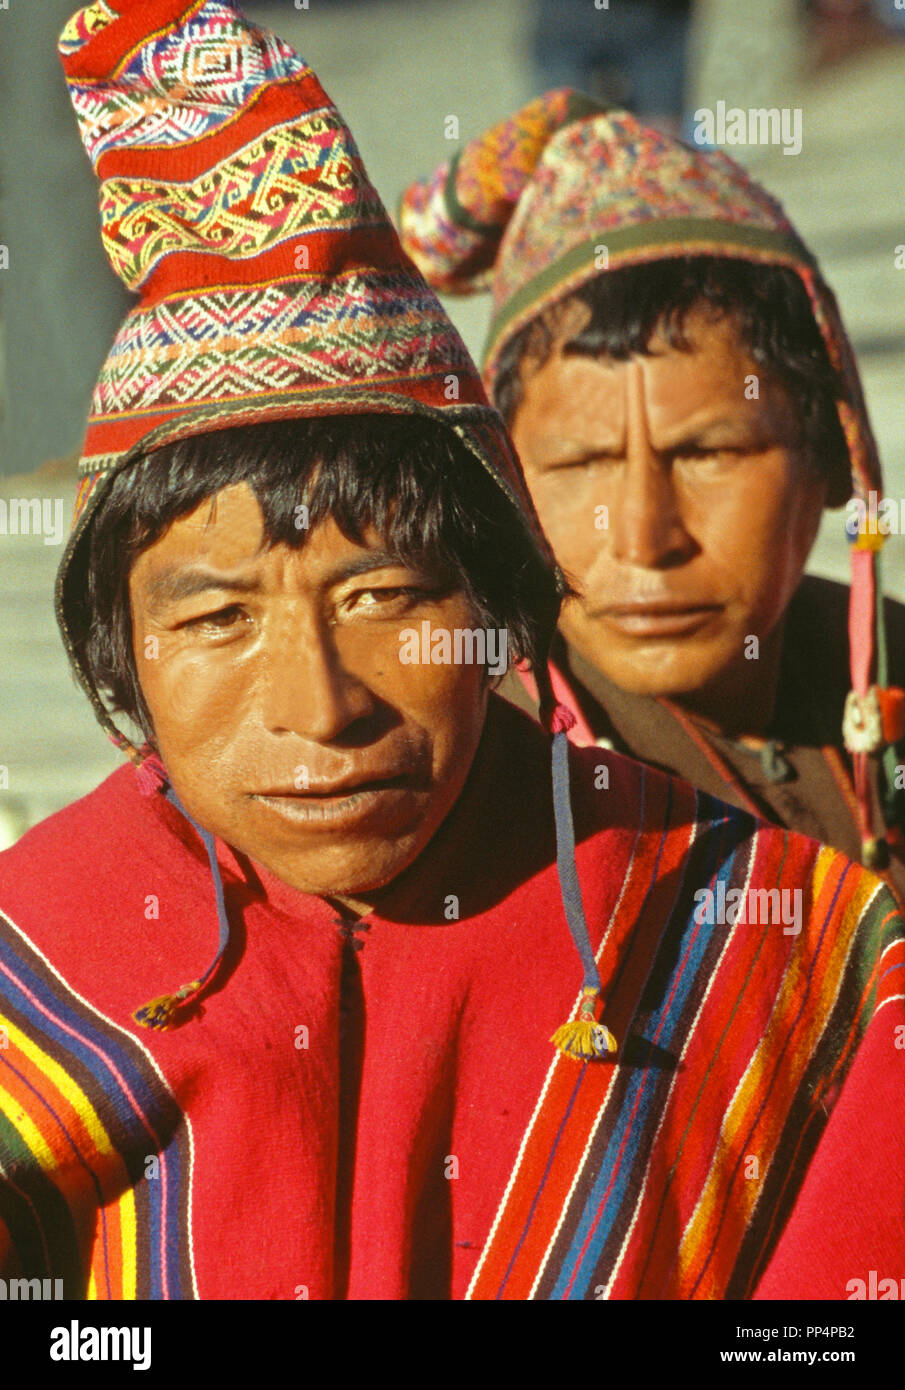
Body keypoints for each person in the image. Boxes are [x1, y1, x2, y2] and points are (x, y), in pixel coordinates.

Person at [0, 2, 903, 1303]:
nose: (320, 709)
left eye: (383, 597)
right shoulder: (46, 954)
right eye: (214, 617)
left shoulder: (764, 928)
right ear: (118, 651)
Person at [399, 91, 905, 908]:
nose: (641, 536)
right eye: (580, 464)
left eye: (708, 452)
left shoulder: (884, 679)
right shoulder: (470, 773)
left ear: (833, 452)